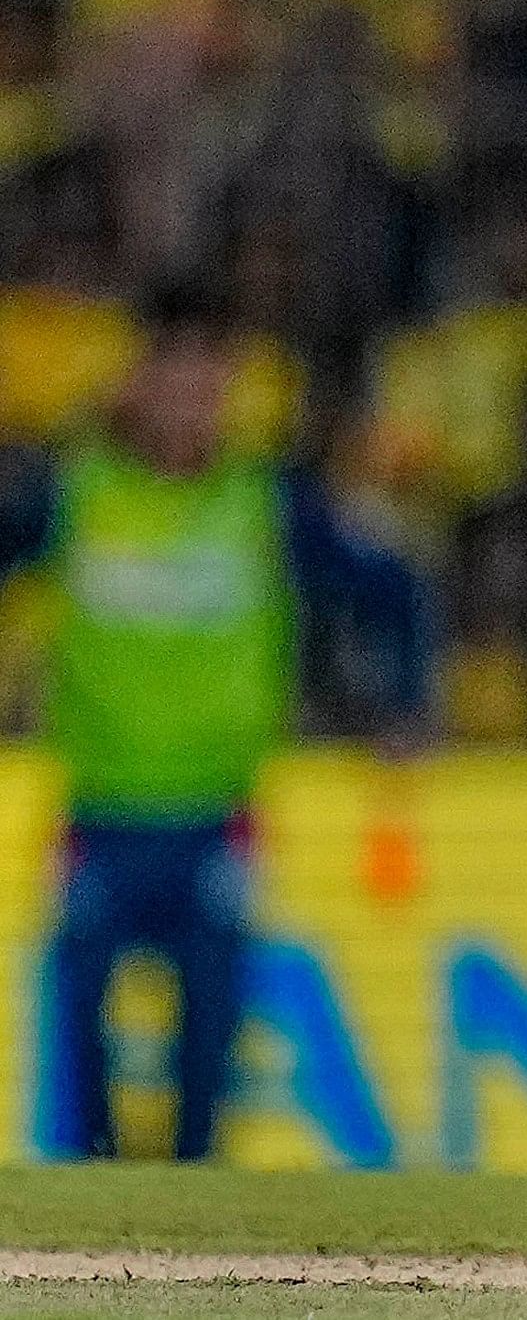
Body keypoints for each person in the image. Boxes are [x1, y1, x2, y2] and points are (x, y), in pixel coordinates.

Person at [28, 285, 431, 1161]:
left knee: (207, 1061)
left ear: (228, 388)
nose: (188, 399)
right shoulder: (74, 490)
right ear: (135, 384)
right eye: (170, 377)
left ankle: (189, 1262)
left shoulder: (269, 501)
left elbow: (392, 588)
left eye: (206, 379)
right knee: (79, 1054)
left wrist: (404, 705)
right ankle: (90, 1251)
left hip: (218, 819)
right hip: (98, 815)